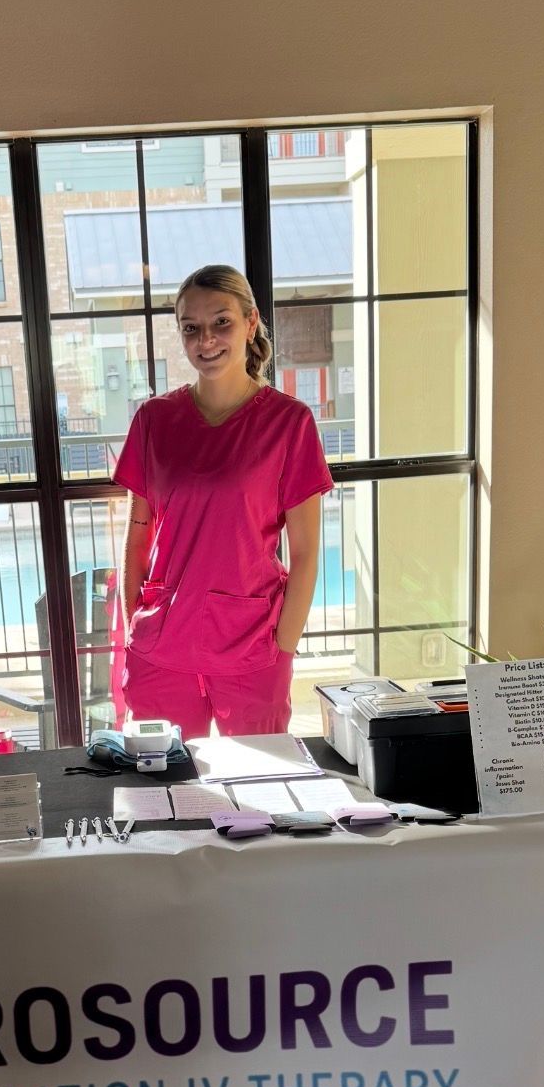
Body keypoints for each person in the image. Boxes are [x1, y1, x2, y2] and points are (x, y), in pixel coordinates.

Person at [114, 263, 333, 738]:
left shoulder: (288, 423)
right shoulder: (155, 420)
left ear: (251, 322)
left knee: (261, 794)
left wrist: (284, 647)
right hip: (162, 647)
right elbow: (136, 536)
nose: (206, 340)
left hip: (252, 647)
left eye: (221, 322)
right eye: (191, 328)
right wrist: (136, 625)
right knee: (163, 794)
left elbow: (307, 551)